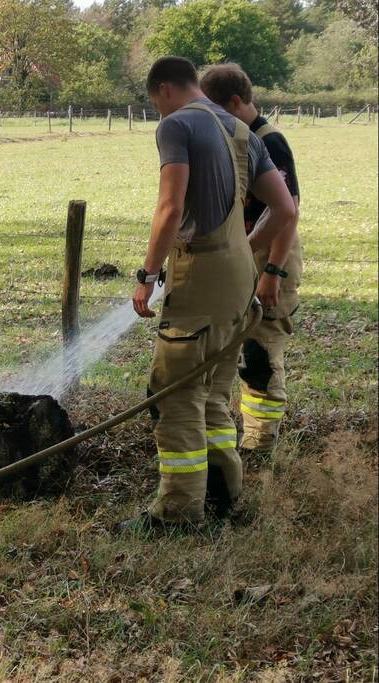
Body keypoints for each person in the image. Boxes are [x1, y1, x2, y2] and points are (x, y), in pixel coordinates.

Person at [122, 56, 297, 531]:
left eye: (156, 102)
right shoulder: (241, 131)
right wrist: (244, 249)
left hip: (199, 275)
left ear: (163, 91)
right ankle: (223, 492)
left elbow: (171, 205)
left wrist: (147, 273)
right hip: (240, 276)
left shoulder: (176, 125)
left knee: (173, 390)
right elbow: (283, 208)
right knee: (215, 388)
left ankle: (177, 513)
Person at [200, 63, 303, 456]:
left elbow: (287, 211)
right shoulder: (236, 138)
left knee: (260, 351)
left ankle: (259, 447)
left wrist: (273, 273)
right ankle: (225, 445)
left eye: (218, 112)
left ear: (237, 102)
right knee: (228, 349)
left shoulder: (269, 141)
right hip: (243, 253)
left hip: (272, 255)